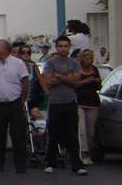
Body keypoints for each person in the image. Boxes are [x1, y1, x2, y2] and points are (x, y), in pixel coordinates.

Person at [41, 36, 86, 175]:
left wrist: (59, 76)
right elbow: (48, 81)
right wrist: (67, 77)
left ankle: (77, 166)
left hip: (70, 101)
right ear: (57, 47)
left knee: (72, 134)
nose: (63, 49)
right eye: (60, 46)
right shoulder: (50, 62)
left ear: (69, 47)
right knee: (53, 134)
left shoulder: (74, 63)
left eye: (66, 46)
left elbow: (76, 80)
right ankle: (50, 163)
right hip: (55, 102)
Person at [0, 39, 29, 174]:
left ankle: (20, 164)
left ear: (4, 50)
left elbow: (25, 83)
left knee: (18, 135)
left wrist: (21, 101)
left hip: (14, 103)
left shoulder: (18, 63)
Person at [75, 49, 101, 166]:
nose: (89, 61)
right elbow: (74, 85)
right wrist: (86, 81)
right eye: (87, 59)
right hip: (80, 103)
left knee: (91, 131)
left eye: (91, 59)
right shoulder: (77, 70)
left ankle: (88, 151)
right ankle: (83, 154)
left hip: (92, 103)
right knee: (82, 130)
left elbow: (98, 87)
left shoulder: (94, 70)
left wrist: (97, 82)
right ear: (81, 59)